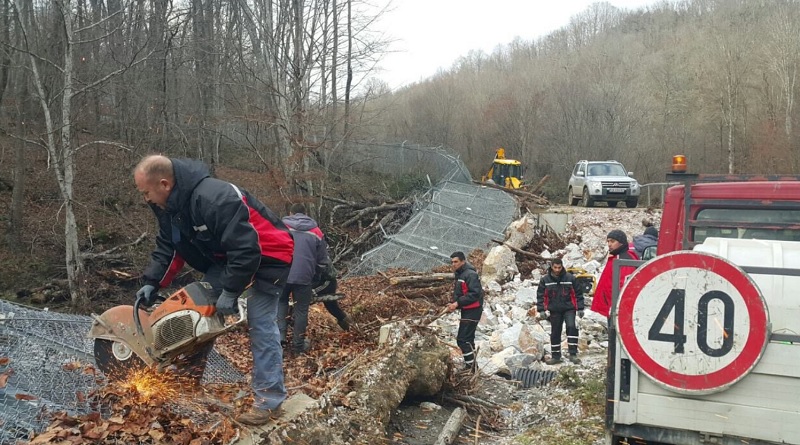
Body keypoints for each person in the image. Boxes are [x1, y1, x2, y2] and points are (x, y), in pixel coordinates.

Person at [133, 155, 293, 426]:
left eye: (146, 192)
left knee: (260, 322)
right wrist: (153, 281)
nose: (145, 199)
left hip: (270, 255)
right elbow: (170, 247)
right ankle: (185, 384)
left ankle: (270, 401)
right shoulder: (170, 209)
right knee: (196, 310)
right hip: (230, 260)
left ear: (164, 184)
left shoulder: (214, 197)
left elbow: (246, 249)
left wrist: (231, 291)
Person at [278, 203, 350, 354]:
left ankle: (280, 340)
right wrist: (315, 274)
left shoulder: (281, 226)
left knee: (281, 303)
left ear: (291, 213)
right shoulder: (316, 231)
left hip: (282, 272)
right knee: (301, 310)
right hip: (304, 276)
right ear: (305, 213)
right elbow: (323, 260)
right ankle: (298, 346)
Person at [536, 258, 584, 365]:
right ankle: (556, 356)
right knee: (555, 332)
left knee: (571, 327)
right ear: (551, 267)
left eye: (559, 267)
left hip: (569, 308)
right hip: (555, 310)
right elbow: (541, 295)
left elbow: (578, 294)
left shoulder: (570, 278)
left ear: (562, 266)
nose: (557, 270)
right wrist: (541, 310)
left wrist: (580, 308)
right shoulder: (545, 280)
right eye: (555, 267)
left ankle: (573, 354)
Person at [446, 251, 484, 373]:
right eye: (452, 262)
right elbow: (462, 292)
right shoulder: (461, 274)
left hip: (473, 310)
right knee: (468, 339)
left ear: (463, 261)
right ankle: (472, 366)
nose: (453, 264)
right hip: (468, 309)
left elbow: (473, 294)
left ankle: (471, 368)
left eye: (456, 261)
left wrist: (457, 303)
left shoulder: (470, 274)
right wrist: (454, 305)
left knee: (462, 339)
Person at [591, 230, 639, 318]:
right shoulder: (616, 257)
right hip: (610, 308)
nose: (609, 244)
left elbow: (624, 286)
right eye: (608, 241)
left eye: (612, 241)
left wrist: (614, 308)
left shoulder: (623, 260)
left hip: (615, 310)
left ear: (621, 243)